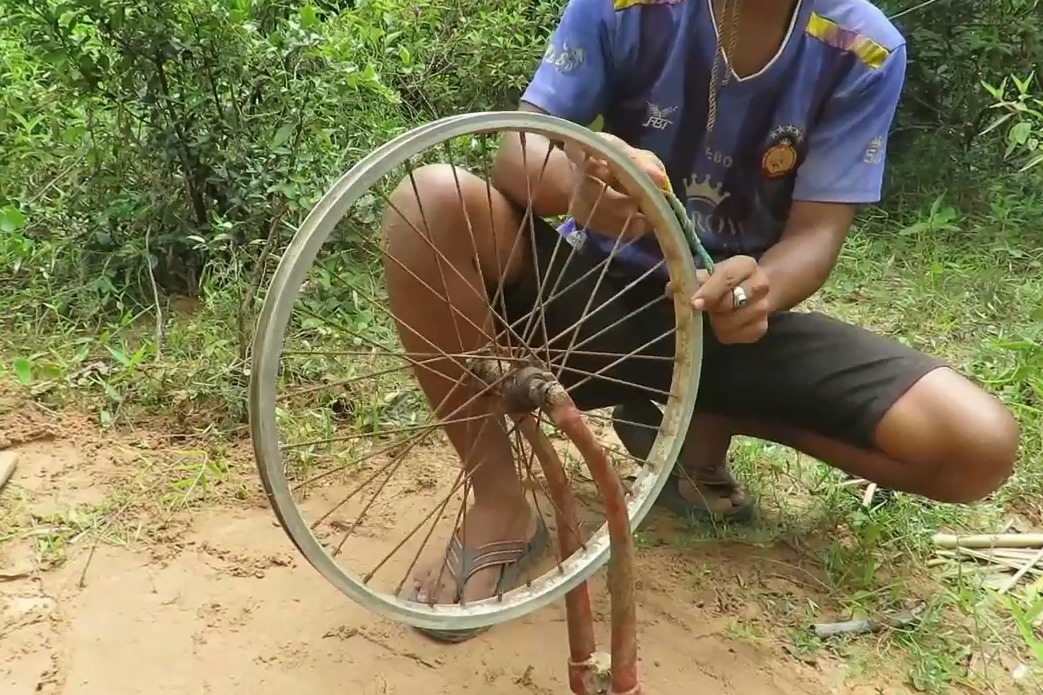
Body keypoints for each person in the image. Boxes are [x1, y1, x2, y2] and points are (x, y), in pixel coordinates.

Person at [381, 0, 1020, 643]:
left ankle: (695, 417)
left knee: (973, 444)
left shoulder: (863, 48)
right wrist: (588, 180)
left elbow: (817, 234)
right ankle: (498, 499)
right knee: (430, 200)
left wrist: (763, 290)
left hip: (724, 328)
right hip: (581, 309)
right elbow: (518, 152)